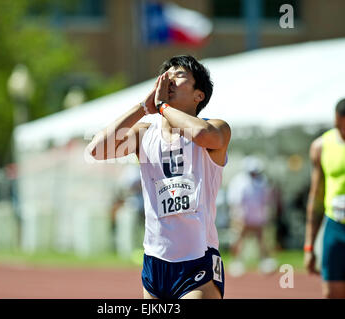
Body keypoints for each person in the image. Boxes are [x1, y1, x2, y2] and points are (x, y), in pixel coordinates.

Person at [88, 55, 230, 299]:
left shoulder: (217, 127)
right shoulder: (144, 134)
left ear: (199, 95)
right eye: (167, 76)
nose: (170, 80)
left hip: (198, 259)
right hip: (156, 261)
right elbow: (96, 149)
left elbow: (202, 135)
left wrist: (163, 107)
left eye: (179, 75)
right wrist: (144, 108)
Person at [304, 98, 345, 299]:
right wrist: (309, 246)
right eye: (339, 126)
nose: (344, 132)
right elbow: (316, 196)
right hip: (336, 230)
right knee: (332, 295)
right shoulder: (321, 146)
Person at [227, 156, 277, 276]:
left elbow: (266, 199)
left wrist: (265, 214)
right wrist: (238, 216)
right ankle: (236, 263)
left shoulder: (262, 181)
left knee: (262, 240)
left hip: (258, 217)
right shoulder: (238, 181)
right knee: (239, 240)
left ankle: (264, 262)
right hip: (243, 217)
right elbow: (234, 201)